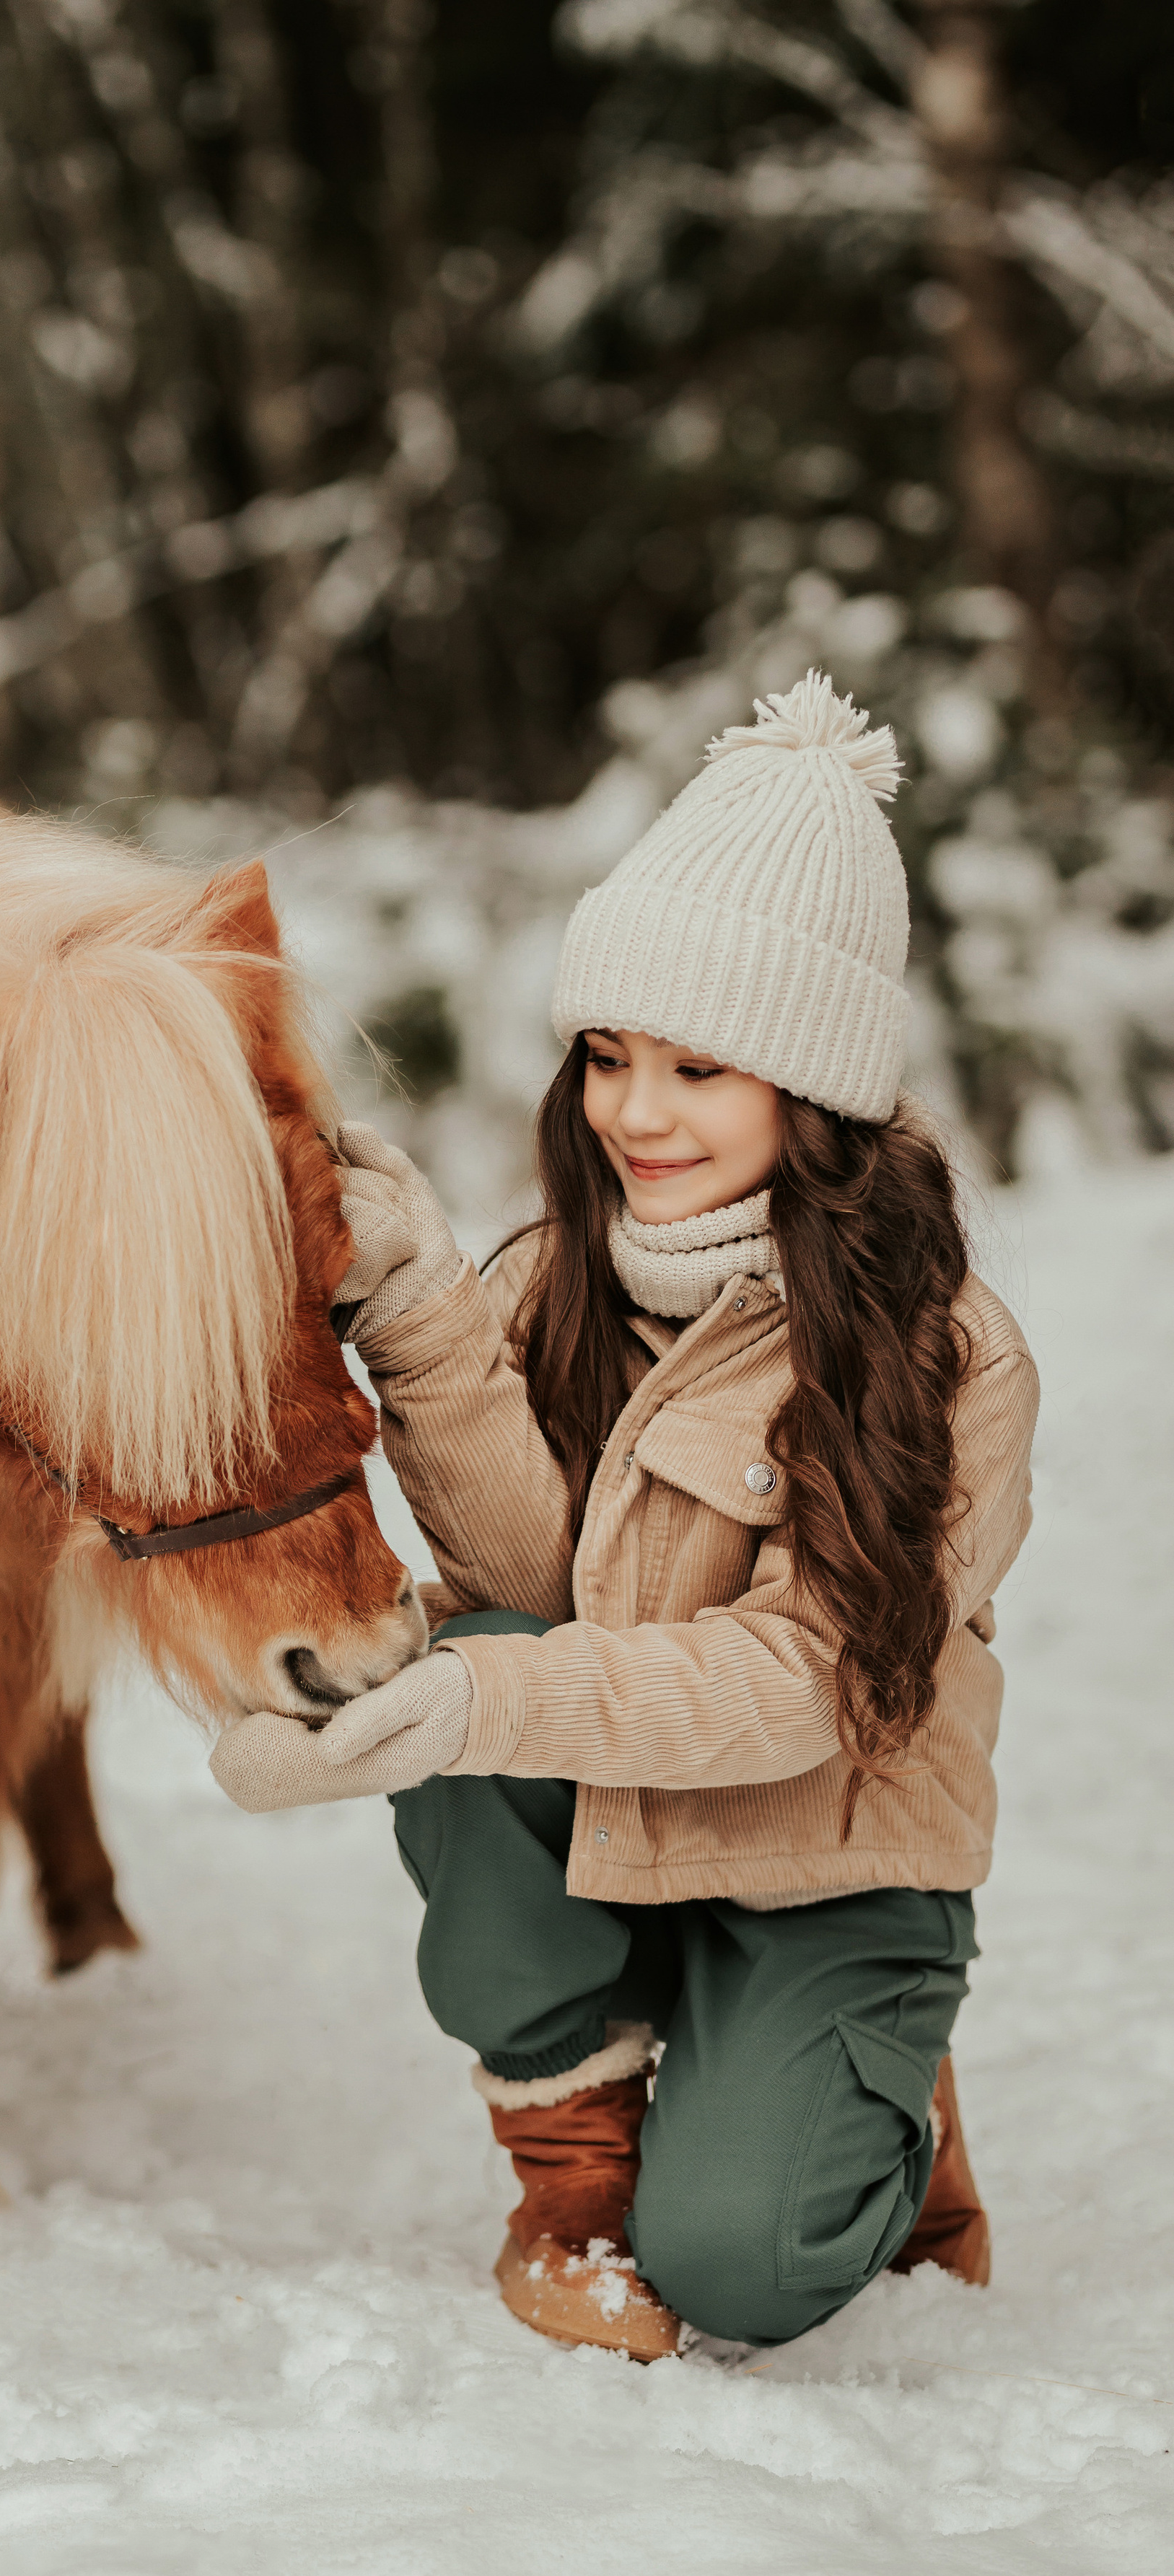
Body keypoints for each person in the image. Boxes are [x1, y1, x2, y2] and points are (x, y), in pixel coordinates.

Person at [210, 672, 1039, 2362]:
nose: (633, 1115)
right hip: (618, 1831)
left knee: (745, 2267)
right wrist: (421, 1310)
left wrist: (480, 1703)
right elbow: (529, 1589)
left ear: (808, 1086)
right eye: (606, 1056)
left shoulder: (944, 1354)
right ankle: (572, 2187)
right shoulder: (560, 1281)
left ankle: (876, 2103)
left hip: (832, 1852)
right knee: (483, 1659)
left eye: (696, 1068)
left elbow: (804, 1679)